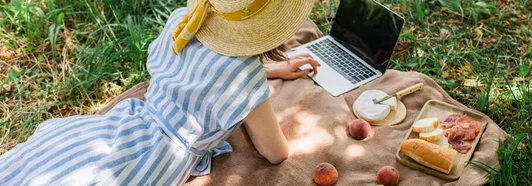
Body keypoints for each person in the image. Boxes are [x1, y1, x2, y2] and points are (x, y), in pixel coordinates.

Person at [0, 0, 318, 185]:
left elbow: (204, 71)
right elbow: (276, 152)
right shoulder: (242, 76)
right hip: (157, 157)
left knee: (48, 167)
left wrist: (266, 71)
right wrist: (255, 87)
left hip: (129, 122)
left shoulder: (184, 20)